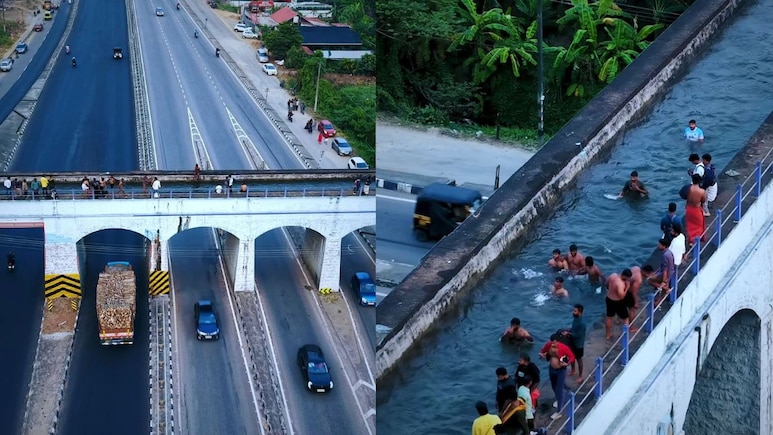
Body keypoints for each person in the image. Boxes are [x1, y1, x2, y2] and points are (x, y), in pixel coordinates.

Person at [539, 338, 574, 420]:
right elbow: (542, 352)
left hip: (561, 371)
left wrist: (567, 363)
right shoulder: (548, 345)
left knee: (559, 389)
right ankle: (560, 397)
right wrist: (542, 355)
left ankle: (559, 412)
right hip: (552, 369)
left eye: (554, 343)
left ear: (557, 342)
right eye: (552, 342)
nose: (553, 344)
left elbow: (572, 356)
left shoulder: (563, 348)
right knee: (554, 386)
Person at [562, 304, 586, 383]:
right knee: (571, 356)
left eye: (575, 311)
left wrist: (568, 334)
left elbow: (578, 335)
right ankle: (573, 370)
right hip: (572, 342)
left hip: (578, 344)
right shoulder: (575, 319)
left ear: (579, 312)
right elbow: (574, 329)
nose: (573, 312)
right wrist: (569, 330)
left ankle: (580, 376)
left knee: (579, 360)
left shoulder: (582, 323)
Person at [604, 273, 629, 340]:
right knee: (626, 318)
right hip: (617, 302)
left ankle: (608, 335)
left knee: (609, 317)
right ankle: (626, 334)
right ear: (626, 277)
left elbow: (606, 283)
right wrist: (627, 287)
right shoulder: (620, 284)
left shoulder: (613, 275)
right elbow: (622, 297)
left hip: (609, 299)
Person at [684, 174, 707, 245]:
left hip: (689, 208)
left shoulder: (688, 189)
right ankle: (695, 240)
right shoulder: (702, 191)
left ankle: (691, 240)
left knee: (690, 225)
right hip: (696, 209)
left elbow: (684, 196)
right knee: (698, 225)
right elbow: (703, 201)